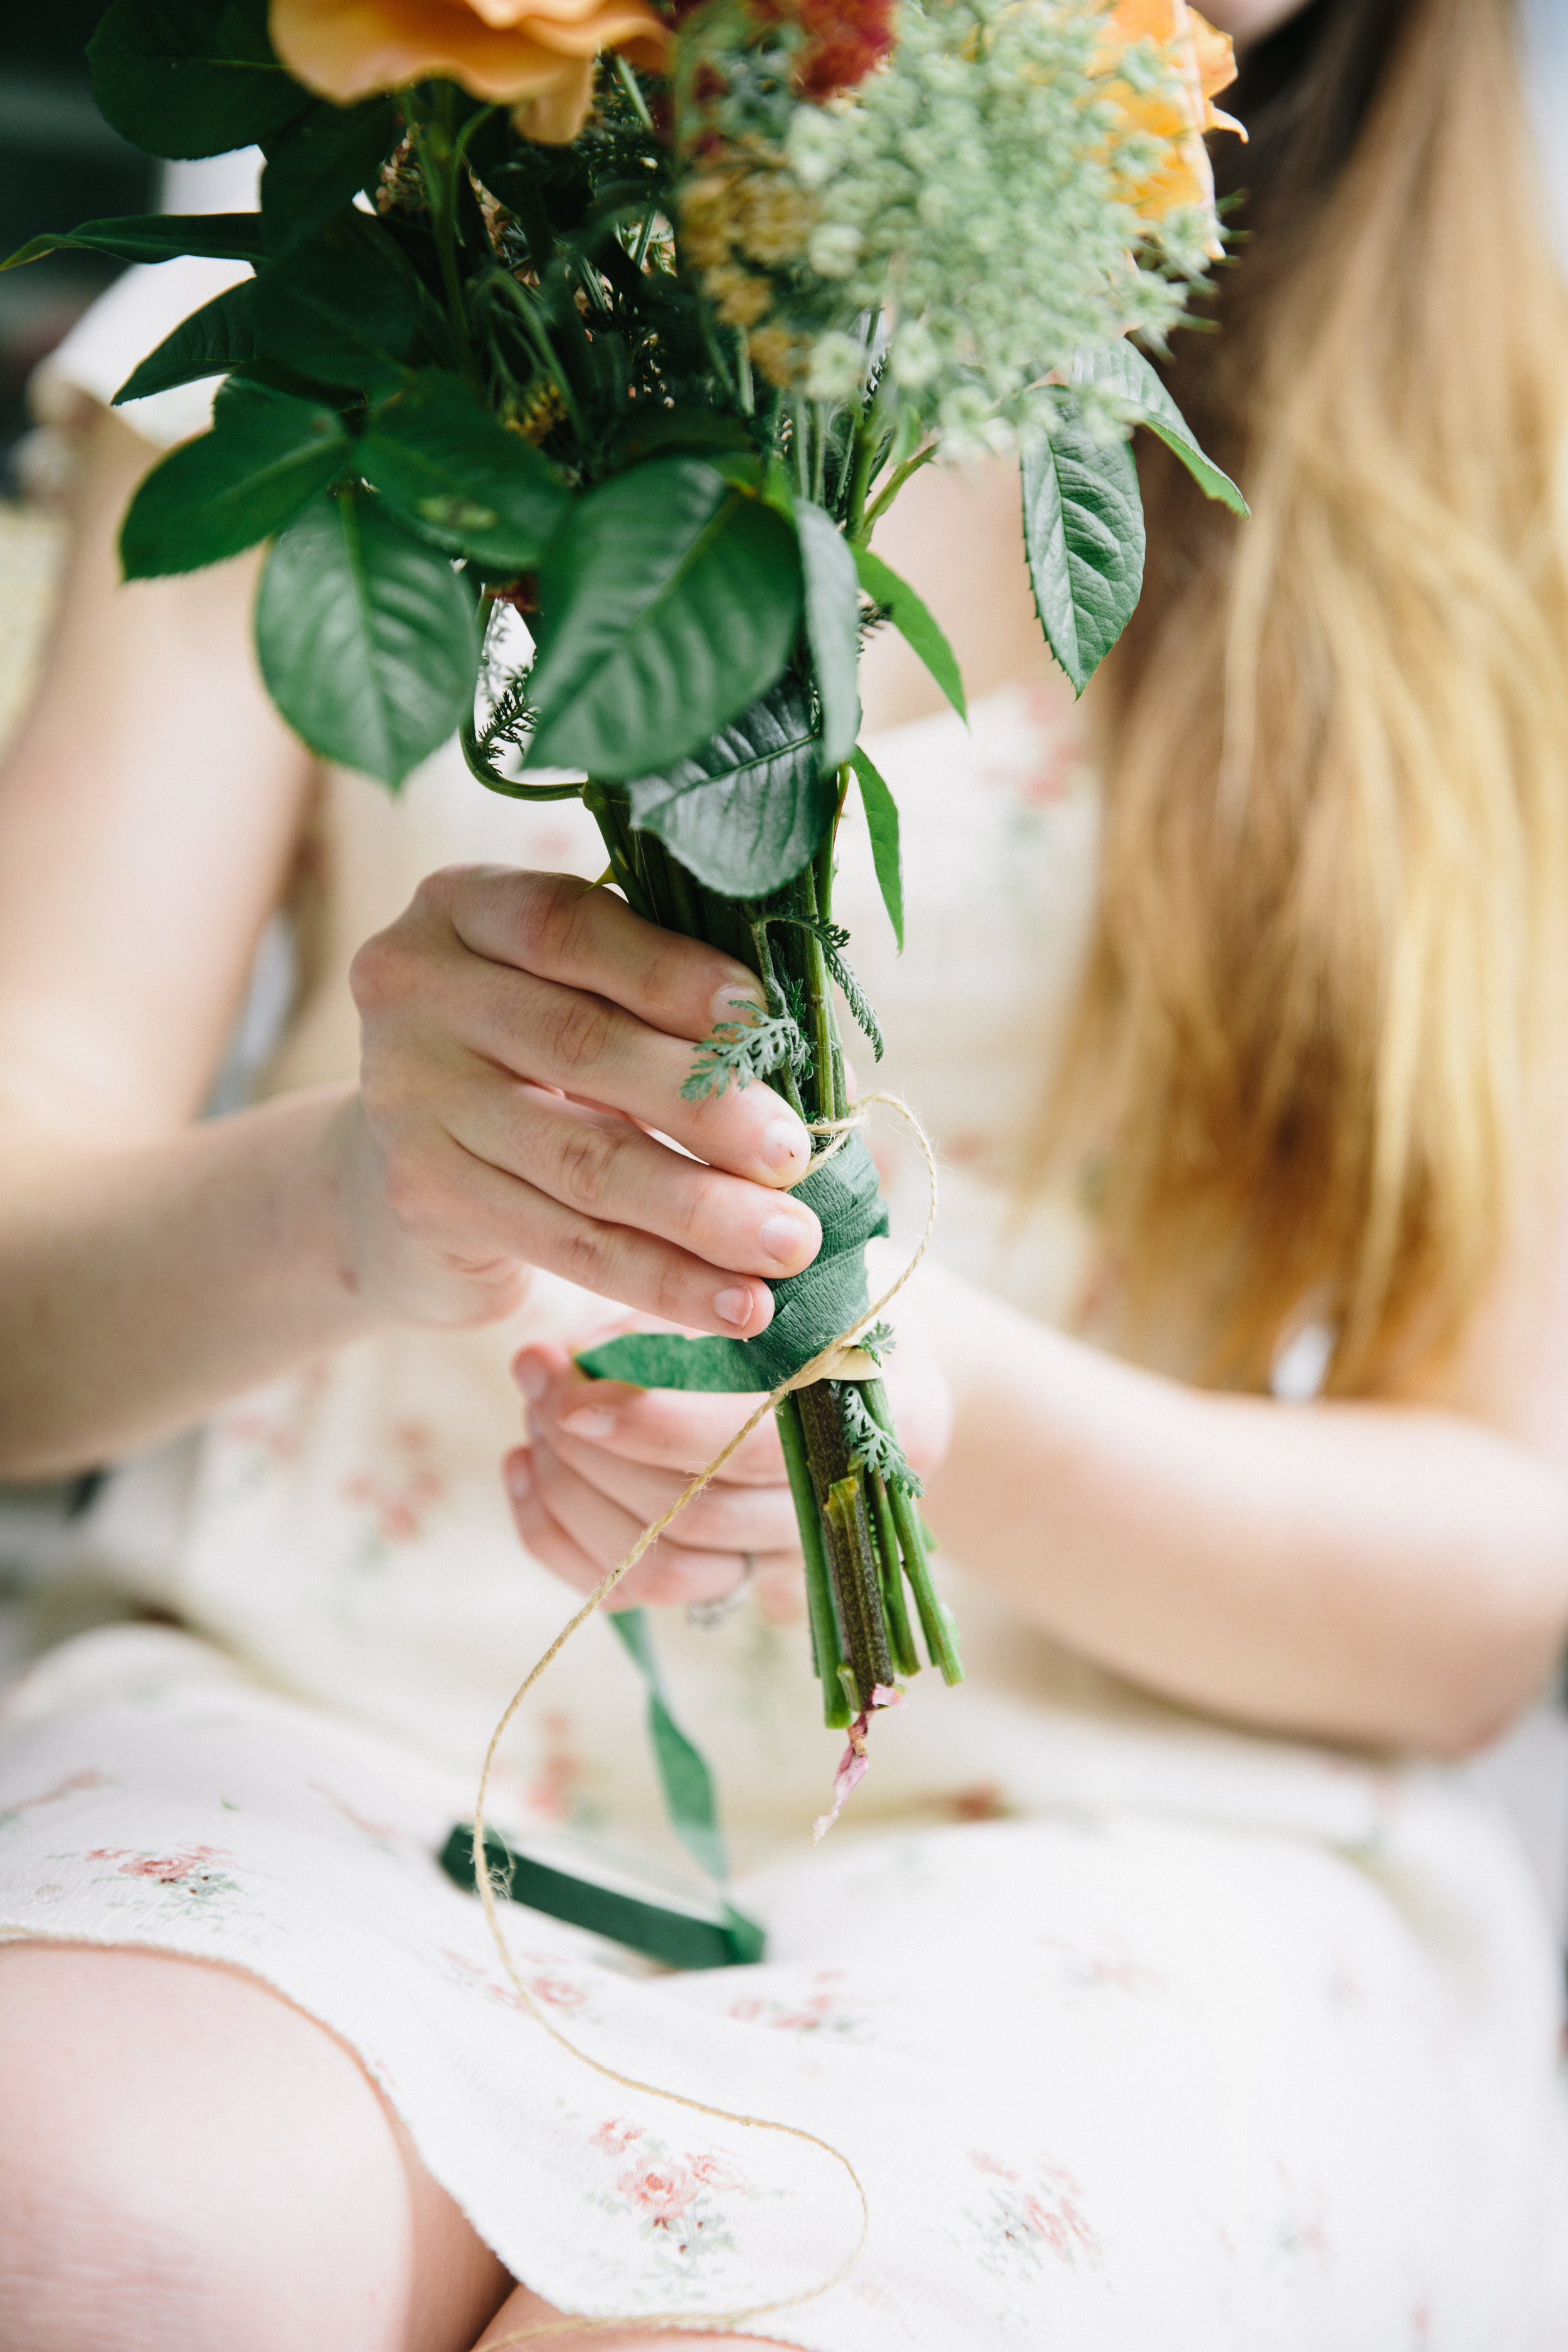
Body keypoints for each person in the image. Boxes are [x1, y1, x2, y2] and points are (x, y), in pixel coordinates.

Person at [1, 0, 1566, 2343]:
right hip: (335, 1710)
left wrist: (916, 1397)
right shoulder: (389, 278)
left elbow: (1479, 1571)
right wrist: (367, 1196)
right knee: (104, 2223)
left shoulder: (1486, 466)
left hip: (1101, 1826)